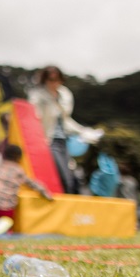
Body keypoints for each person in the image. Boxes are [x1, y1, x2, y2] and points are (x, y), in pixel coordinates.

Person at [26, 66, 102, 194]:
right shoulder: (38, 96)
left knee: (70, 175)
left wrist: (84, 131)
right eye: (50, 79)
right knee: (62, 175)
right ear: (45, 80)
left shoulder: (65, 95)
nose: (54, 83)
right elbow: (34, 116)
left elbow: (66, 120)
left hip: (64, 140)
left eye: (57, 79)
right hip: (48, 141)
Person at [0, 145, 53, 228]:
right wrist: (46, 193)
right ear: (19, 157)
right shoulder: (17, 170)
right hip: (5, 207)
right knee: (4, 228)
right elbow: (32, 184)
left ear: (3, 155)